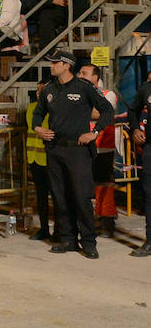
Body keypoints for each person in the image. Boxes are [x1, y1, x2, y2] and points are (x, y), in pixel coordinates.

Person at [32, 49, 114, 259]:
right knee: (60, 196)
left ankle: (88, 242)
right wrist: (38, 128)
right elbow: (38, 113)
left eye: (54, 63)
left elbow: (107, 111)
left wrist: (94, 133)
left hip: (78, 150)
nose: (51, 66)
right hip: (55, 149)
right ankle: (68, 239)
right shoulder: (49, 89)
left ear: (66, 65)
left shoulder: (84, 87)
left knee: (80, 197)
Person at [76, 64, 119, 238]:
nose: (79, 75)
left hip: (103, 147)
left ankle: (107, 219)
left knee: (104, 184)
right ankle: (86, 220)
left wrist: (81, 109)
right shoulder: (79, 93)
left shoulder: (109, 95)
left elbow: (101, 114)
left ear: (95, 77)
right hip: (83, 146)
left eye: (83, 73)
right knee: (83, 185)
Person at [25, 82, 59, 241]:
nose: (39, 93)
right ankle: (44, 229)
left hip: (50, 159)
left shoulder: (55, 109)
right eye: (37, 90)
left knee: (57, 196)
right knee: (41, 196)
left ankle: (59, 231)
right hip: (35, 158)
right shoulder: (31, 108)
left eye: (42, 90)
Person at [127, 77, 151, 256]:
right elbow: (132, 110)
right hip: (150, 147)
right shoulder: (146, 89)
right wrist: (135, 128)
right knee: (150, 194)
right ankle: (150, 241)